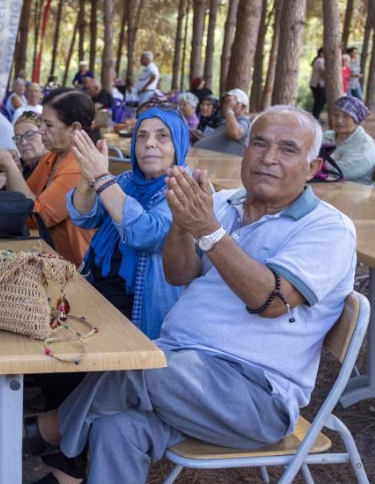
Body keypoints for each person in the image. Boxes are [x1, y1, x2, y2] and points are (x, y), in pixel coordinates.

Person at [29, 105, 355, 484]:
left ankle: (45, 431)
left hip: (254, 397)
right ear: (244, 151)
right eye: (260, 144)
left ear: (313, 168)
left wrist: (208, 230)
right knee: (116, 426)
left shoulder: (328, 228)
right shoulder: (224, 203)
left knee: (138, 363)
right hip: (184, 371)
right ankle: (52, 442)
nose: (269, 158)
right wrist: (183, 227)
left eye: (287, 149)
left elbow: (270, 301)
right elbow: (178, 271)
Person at [68, 101, 190, 338]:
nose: (149, 143)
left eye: (162, 136)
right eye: (142, 136)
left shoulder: (187, 188)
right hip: (95, 288)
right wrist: (87, 178)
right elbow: (84, 216)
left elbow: (149, 234)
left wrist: (102, 179)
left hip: (135, 309)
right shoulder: (127, 182)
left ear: (179, 144)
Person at [0, 95, 95, 266]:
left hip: (77, 271)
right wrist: (10, 168)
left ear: (74, 129)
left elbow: (36, 217)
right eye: (42, 123)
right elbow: (20, 204)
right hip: (48, 255)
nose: (41, 130)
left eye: (48, 125)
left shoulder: (79, 167)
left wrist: (10, 167)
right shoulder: (51, 157)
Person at [323, 96, 375, 184]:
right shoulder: (326, 136)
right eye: (336, 115)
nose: (339, 121)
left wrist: (316, 165)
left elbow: (346, 171)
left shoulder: (364, 143)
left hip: (355, 192)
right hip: (326, 187)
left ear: (356, 119)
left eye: (346, 116)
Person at [0, 111, 48, 185]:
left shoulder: (51, 166)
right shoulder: (21, 164)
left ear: (44, 134)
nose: (24, 142)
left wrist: (12, 176)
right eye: (18, 137)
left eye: (30, 134)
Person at [193, 88, 250, 156]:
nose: (226, 105)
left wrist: (229, 110)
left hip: (224, 164)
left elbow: (235, 134)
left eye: (230, 102)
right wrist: (204, 137)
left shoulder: (243, 121)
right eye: (226, 102)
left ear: (243, 106)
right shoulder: (227, 121)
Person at [309, 47, 327, 120]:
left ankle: (316, 117)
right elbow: (324, 73)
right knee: (319, 101)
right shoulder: (320, 61)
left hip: (317, 84)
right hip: (318, 85)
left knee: (320, 101)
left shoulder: (321, 61)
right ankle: (315, 117)